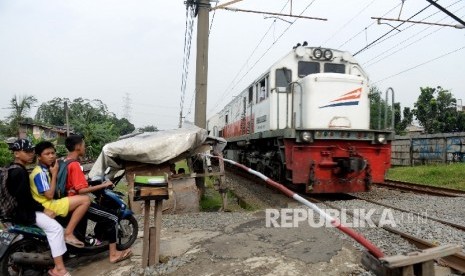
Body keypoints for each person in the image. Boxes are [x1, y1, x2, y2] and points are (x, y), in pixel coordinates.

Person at [64, 135, 132, 263]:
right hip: (79, 203)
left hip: (68, 202)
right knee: (112, 217)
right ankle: (113, 255)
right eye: (83, 145)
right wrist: (103, 185)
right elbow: (81, 190)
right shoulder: (75, 165)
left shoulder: (64, 162)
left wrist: (88, 182)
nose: (85, 148)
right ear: (78, 147)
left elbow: (74, 184)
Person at [6, 139, 70, 276]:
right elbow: (25, 200)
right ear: (16, 153)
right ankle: (59, 269)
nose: (31, 154)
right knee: (56, 229)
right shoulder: (19, 172)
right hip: (24, 213)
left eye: (31, 151)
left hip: (16, 212)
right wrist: (43, 209)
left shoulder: (12, 168)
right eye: (27, 151)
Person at [30, 141, 90, 248]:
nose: (51, 156)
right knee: (85, 200)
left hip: (46, 203)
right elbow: (49, 195)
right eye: (47, 154)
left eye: (53, 153)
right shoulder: (40, 173)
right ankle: (68, 233)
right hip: (48, 205)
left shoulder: (43, 169)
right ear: (39, 157)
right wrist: (54, 174)